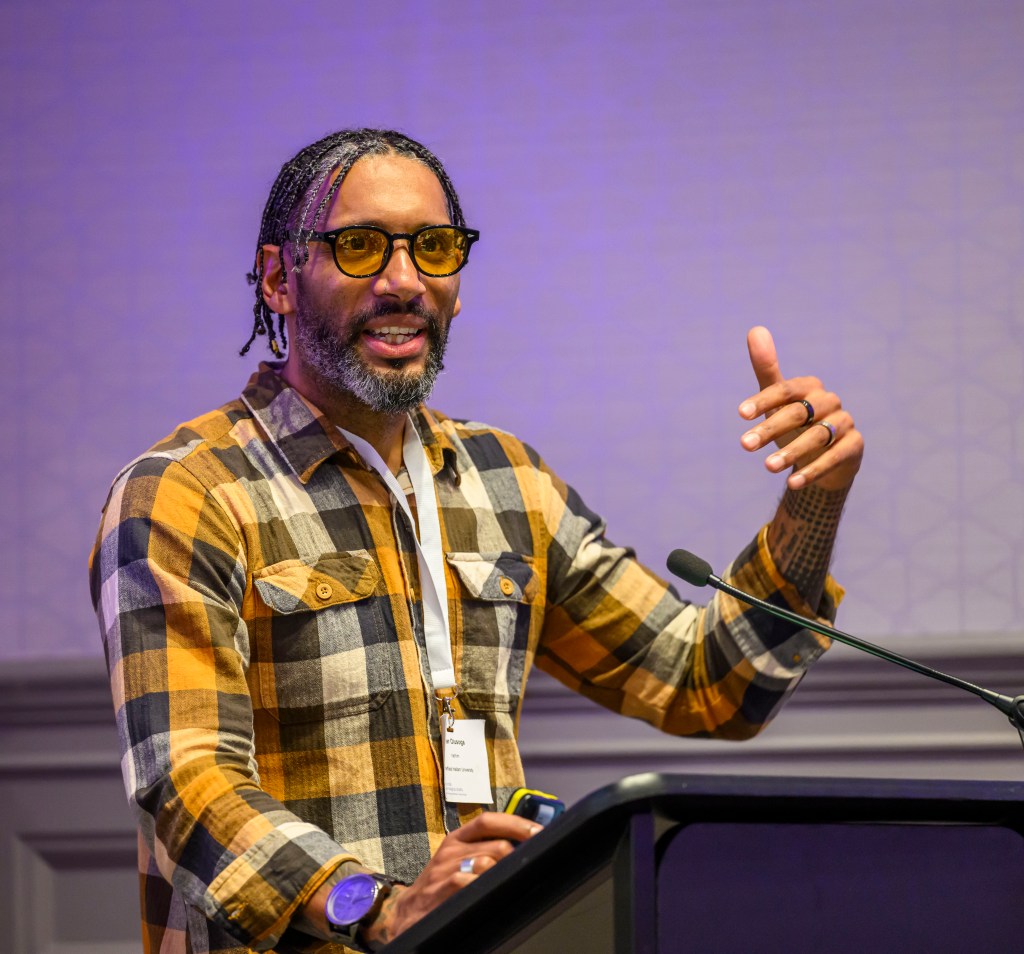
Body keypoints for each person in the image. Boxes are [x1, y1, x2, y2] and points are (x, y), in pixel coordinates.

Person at [89, 128, 863, 953]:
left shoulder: (506, 482)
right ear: (280, 278)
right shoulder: (187, 493)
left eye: (432, 247)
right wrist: (378, 910)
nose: (403, 281)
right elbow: (188, 785)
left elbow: (703, 683)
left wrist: (813, 506)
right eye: (359, 247)